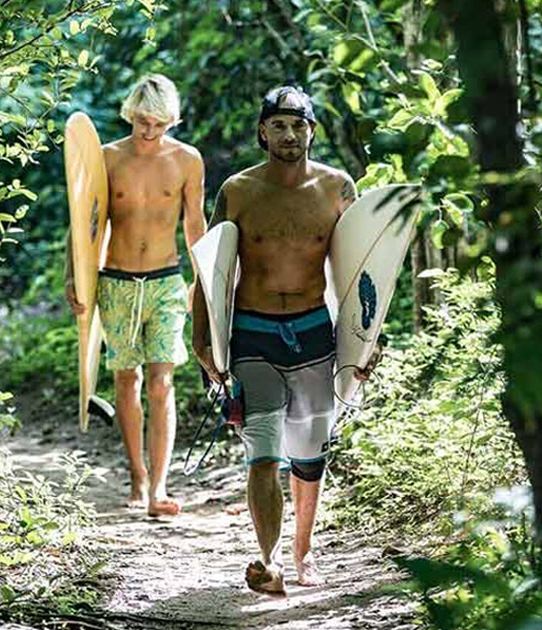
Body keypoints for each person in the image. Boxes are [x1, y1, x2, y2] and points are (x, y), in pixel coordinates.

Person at [192, 86, 377, 595]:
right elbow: (211, 271)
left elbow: (361, 274)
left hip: (315, 332)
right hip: (252, 334)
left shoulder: (338, 189)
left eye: (298, 125)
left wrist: (365, 342)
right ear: (262, 132)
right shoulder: (238, 190)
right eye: (278, 125)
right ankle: (268, 561)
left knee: (309, 455)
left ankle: (305, 551)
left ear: (311, 130)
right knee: (264, 453)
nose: (289, 135)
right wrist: (202, 339)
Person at [66, 74, 206, 517]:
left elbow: (194, 224)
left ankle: (159, 485)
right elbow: (86, 225)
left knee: (162, 384)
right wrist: (76, 278)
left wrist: (202, 280)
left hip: (166, 279)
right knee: (127, 380)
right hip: (116, 281)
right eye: (143, 121)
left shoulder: (187, 160)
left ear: (172, 120)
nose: (149, 131)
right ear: (131, 114)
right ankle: (137, 474)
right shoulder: (107, 158)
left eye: (159, 123)